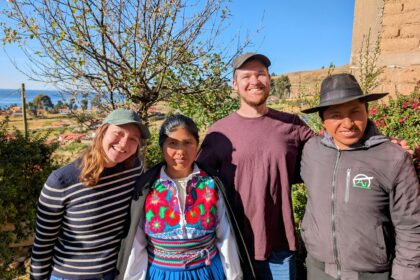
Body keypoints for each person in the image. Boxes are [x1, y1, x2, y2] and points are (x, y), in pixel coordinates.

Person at [197, 53, 314, 279]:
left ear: (270, 79)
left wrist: (375, 141)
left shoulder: (291, 125)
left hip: (280, 244)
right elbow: (197, 182)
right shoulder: (219, 133)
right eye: (246, 76)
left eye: (261, 74)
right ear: (234, 84)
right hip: (234, 244)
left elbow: (331, 150)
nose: (255, 81)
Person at [300, 73, 420, 280]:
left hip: (372, 274)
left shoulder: (392, 158)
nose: (347, 123)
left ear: (366, 111)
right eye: (336, 115)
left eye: (355, 112)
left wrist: (406, 275)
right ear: (323, 120)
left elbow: (411, 225)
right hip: (318, 270)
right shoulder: (311, 151)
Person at [116, 114, 252, 280]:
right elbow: (137, 243)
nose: (180, 151)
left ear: (197, 146)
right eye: (172, 143)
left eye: (187, 143)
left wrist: (234, 276)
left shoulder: (211, 183)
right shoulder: (147, 187)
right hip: (161, 274)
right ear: (162, 146)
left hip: (207, 272)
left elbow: (225, 235)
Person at [30, 109, 150, 280]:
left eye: (133, 139)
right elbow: (42, 245)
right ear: (101, 132)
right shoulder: (62, 181)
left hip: (114, 273)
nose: (124, 144)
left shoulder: (134, 169)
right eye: (118, 133)